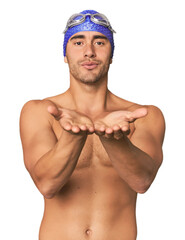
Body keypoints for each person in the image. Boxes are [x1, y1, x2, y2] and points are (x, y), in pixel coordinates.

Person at [20, 10, 165, 240]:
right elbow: (46, 185)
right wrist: (73, 135)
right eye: (78, 42)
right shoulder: (40, 112)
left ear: (111, 55)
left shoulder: (142, 116)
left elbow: (142, 181)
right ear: (65, 54)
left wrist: (112, 139)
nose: (89, 51)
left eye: (100, 42)